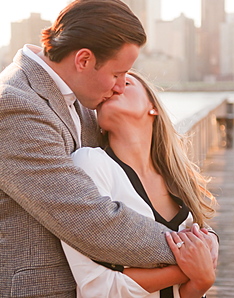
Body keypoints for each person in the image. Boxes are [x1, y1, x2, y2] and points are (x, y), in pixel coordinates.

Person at [0, 0, 218, 297]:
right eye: (117, 74)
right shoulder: (15, 105)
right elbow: (89, 219)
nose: (119, 86)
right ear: (84, 60)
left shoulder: (86, 100)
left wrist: (205, 240)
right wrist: (193, 251)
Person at [62, 71, 218, 298]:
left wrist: (201, 282)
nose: (113, 87)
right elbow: (97, 287)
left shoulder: (177, 180)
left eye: (125, 82)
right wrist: (191, 271)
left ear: (153, 106)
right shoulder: (90, 163)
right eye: (109, 83)